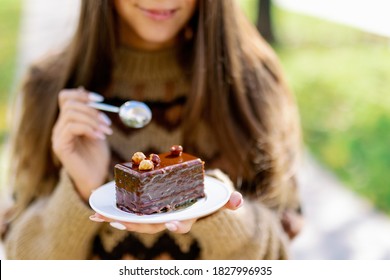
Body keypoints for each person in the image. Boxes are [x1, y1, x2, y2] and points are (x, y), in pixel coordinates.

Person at [2, 0, 303, 260]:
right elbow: (22, 260)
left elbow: (278, 253)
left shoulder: (254, 83)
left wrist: (215, 206)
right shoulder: (47, 89)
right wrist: (80, 188)